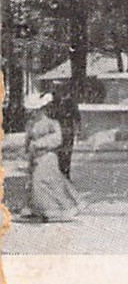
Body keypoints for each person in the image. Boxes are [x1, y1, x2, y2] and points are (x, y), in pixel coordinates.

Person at [20, 92, 82, 222]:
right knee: (34, 182)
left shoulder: (51, 123)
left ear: (42, 110)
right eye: (31, 111)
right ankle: (37, 209)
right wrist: (26, 149)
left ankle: (57, 209)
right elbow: (28, 139)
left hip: (48, 156)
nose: (33, 114)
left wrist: (39, 144)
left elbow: (57, 139)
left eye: (36, 111)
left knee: (41, 181)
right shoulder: (31, 124)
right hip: (35, 158)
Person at [49, 88, 81, 180]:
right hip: (63, 131)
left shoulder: (67, 104)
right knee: (63, 153)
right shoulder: (58, 104)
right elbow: (77, 117)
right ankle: (63, 173)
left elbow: (77, 117)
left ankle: (64, 172)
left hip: (64, 131)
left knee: (64, 153)